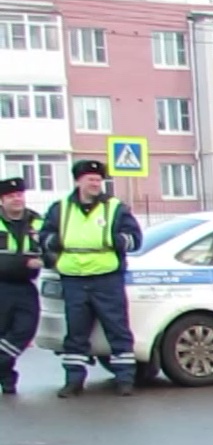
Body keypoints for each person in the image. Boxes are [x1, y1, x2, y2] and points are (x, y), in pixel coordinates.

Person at [40, 159, 142, 397]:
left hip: (106, 277)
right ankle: (73, 381)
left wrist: (110, 241)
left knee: (117, 329)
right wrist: (57, 244)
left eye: (99, 180)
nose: (96, 183)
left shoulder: (115, 207)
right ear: (78, 181)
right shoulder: (61, 207)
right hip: (73, 278)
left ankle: (125, 380)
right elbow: (44, 237)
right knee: (75, 334)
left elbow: (135, 239)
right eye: (91, 180)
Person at [0, 176, 42, 396]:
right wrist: (24, 262)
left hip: (25, 285)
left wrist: (47, 259)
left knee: (25, 330)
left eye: (19, 195)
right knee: (2, 332)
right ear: (1, 200)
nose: (16, 199)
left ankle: (2, 366)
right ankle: (7, 380)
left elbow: (51, 247)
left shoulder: (36, 221)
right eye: (10, 196)